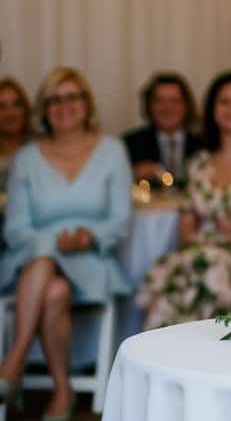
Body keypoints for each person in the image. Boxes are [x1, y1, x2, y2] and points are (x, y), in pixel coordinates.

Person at [0, 68, 132, 420]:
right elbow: (15, 228)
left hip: (90, 261)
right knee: (52, 285)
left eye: (72, 97)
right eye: (54, 100)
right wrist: (51, 244)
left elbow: (120, 220)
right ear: (43, 110)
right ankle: (63, 390)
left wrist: (89, 236)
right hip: (30, 262)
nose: (64, 106)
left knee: (51, 278)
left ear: (86, 104)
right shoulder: (27, 158)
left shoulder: (112, 150)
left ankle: (11, 365)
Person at [138, 72, 231, 329]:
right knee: (204, 266)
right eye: (224, 102)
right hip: (204, 256)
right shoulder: (197, 163)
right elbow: (186, 230)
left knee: (211, 267)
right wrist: (213, 244)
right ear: (212, 109)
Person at [122, 72, 203, 185]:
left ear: (186, 106)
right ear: (149, 106)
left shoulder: (204, 144)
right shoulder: (129, 144)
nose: (167, 107)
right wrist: (131, 174)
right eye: (160, 101)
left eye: (175, 101)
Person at [0, 77, 34, 191]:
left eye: (16, 104)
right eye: (2, 107)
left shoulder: (42, 147)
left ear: (25, 109)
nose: (11, 113)